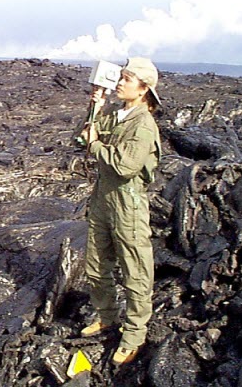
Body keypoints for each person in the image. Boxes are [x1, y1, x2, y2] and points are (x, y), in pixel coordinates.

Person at [78, 57, 162, 365]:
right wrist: (94, 107)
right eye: (121, 77)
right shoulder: (115, 112)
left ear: (143, 91)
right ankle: (107, 316)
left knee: (135, 272)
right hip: (103, 198)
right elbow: (81, 137)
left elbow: (126, 166)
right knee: (97, 263)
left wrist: (97, 145)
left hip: (128, 203)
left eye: (126, 79)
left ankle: (134, 336)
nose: (120, 83)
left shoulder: (143, 124)